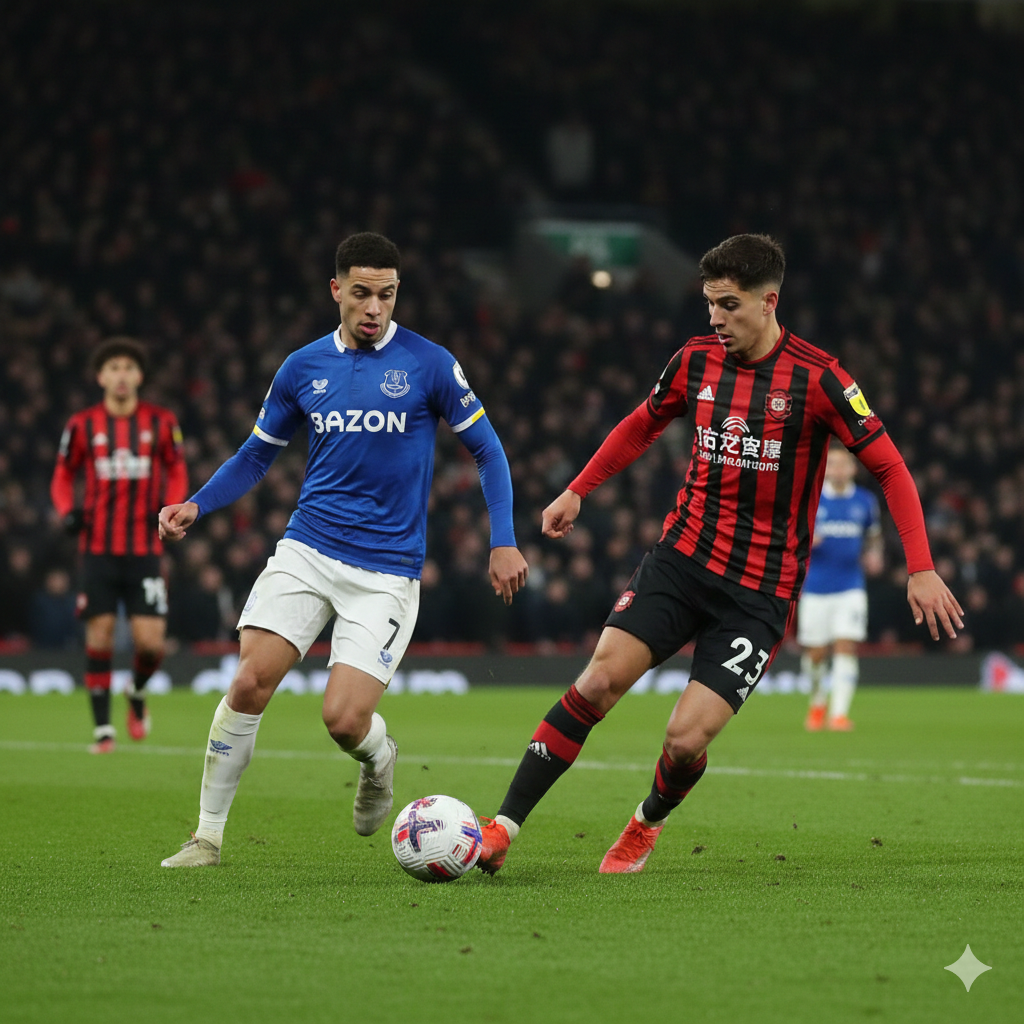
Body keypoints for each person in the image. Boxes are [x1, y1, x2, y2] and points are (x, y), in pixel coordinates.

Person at [476, 233, 962, 876]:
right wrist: (577, 489)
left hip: (759, 591)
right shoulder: (695, 360)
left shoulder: (822, 378)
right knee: (597, 680)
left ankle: (645, 824)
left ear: (769, 302)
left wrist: (920, 566)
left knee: (684, 741)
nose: (714, 318)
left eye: (728, 305)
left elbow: (893, 469)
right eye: (709, 303)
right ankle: (503, 827)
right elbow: (642, 423)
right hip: (682, 559)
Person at [158, 232, 528, 868]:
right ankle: (207, 837)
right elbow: (256, 455)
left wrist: (503, 540)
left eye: (386, 295)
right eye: (361, 293)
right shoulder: (302, 368)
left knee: (343, 720)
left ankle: (378, 760)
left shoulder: (430, 363)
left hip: (385, 570)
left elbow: (488, 451)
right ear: (336, 290)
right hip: (308, 548)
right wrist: (199, 502)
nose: (374, 308)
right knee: (247, 682)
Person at [51, 337, 188, 753]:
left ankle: (138, 690)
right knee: (100, 636)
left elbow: (177, 468)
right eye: (113, 368)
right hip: (97, 549)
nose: (121, 375)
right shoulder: (82, 425)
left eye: (129, 367)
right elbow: (62, 474)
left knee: (150, 643)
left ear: (140, 375)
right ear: (100, 377)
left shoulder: (162, 422)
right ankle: (102, 731)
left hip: (145, 548)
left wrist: (173, 508)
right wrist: (65, 511)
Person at [799, 442, 882, 731]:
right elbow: (791, 537)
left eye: (842, 464)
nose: (837, 469)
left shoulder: (865, 501)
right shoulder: (811, 500)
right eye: (831, 464)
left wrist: (874, 554)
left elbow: (873, 536)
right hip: (816, 586)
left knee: (846, 646)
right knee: (816, 654)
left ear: (852, 469)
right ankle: (818, 701)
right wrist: (807, 541)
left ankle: (839, 714)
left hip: (851, 586)